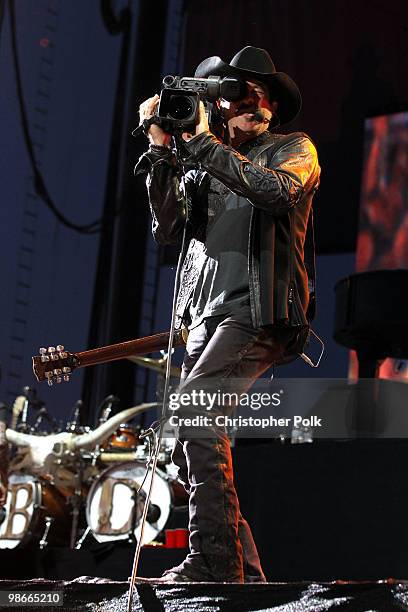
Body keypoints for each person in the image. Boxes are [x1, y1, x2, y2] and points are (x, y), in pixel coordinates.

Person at [136, 46, 320, 583]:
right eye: (242, 93)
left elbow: (276, 193)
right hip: (204, 320)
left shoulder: (292, 149)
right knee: (194, 435)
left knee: (194, 416)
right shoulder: (204, 161)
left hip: (257, 314)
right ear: (217, 103)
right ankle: (247, 577)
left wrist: (203, 144)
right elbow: (168, 230)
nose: (256, 104)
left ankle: (214, 562)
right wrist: (161, 148)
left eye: (265, 97)